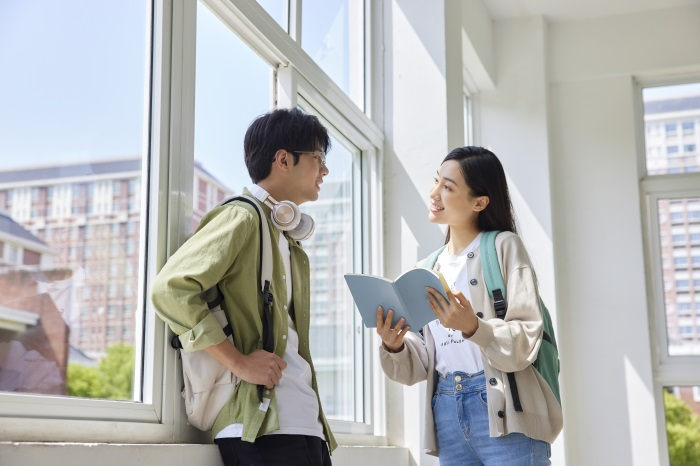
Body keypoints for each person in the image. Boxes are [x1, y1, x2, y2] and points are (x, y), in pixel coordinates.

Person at [151, 108, 336, 466]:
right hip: (261, 427)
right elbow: (170, 290)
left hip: (302, 422)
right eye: (318, 158)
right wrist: (238, 363)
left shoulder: (286, 237)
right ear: (283, 159)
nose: (324, 170)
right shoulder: (243, 217)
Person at [376, 146, 563, 465]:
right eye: (436, 181)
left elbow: (527, 335)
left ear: (479, 202)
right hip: (447, 412)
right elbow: (424, 360)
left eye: (448, 187)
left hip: (505, 413)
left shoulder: (504, 246)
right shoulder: (428, 268)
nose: (434, 193)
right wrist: (394, 346)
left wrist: (473, 327)